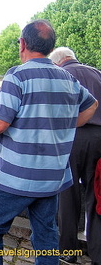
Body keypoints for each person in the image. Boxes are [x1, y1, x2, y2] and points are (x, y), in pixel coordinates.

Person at [0, 20, 98, 265]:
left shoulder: (17, 75)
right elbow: (92, 105)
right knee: (46, 233)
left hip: (15, 177)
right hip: (51, 178)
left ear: (22, 44)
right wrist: (64, 123)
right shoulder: (68, 78)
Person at [50, 47, 101, 265]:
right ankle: (97, 252)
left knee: (68, 195)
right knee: (97, 195)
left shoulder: (59, 75)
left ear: (57, 62)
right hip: (99, 137)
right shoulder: (97, 73)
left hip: (70, 136)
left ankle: (68, 250)